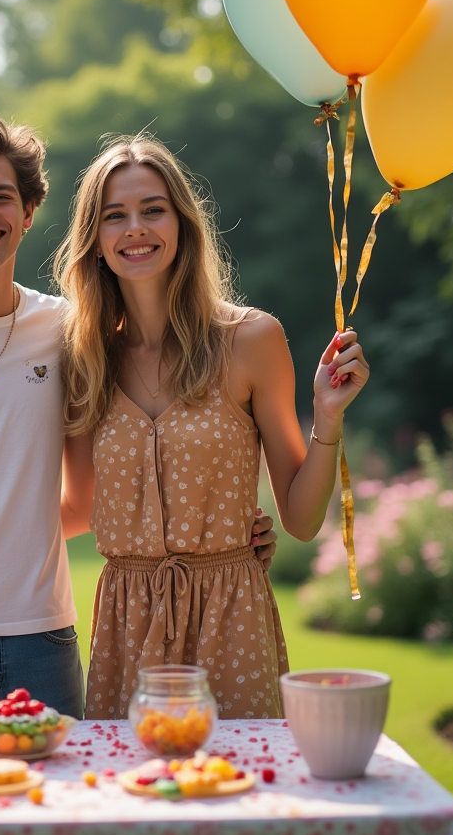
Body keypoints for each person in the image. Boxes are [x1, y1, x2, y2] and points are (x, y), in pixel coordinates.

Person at [0, 110, 279, 722]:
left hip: (43, 645)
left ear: (29, 211)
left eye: (0, 197)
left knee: (54, 818)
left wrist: (223, 530)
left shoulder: (74, 334)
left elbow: (92, 494)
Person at [54, 136, 370, 721]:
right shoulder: (83, 359)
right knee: (132, 802)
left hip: (232, 620)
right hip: (128, 625)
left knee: (243, 796)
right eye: (114, 216)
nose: (136, 229)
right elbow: (75, 509)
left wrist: (327, 416)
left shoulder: (251, 340)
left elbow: (299, 521)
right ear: (94, 241)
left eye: (153, 209)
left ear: (182, 223)